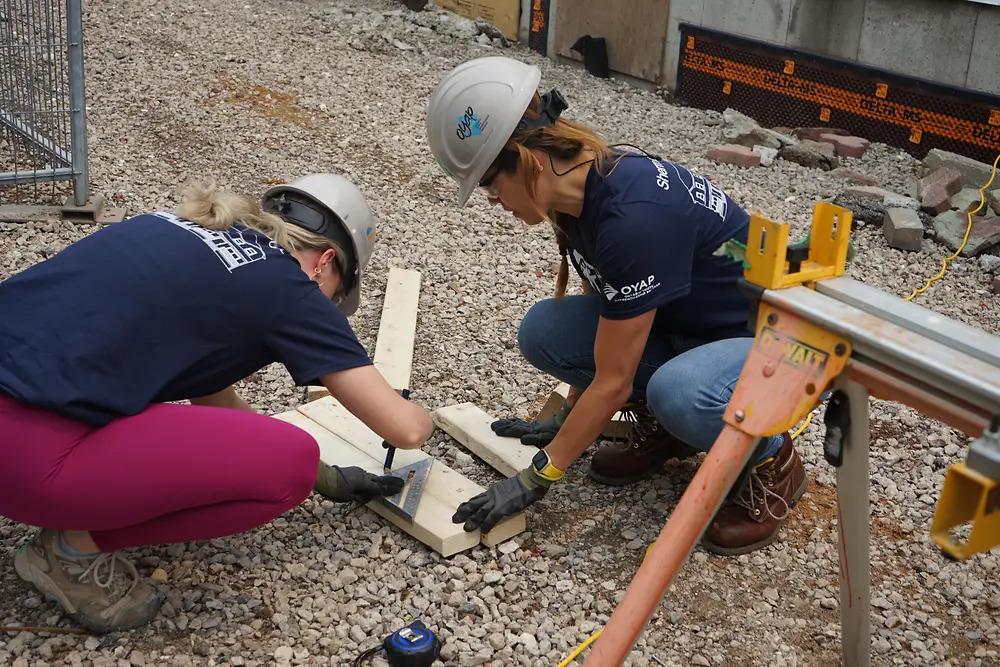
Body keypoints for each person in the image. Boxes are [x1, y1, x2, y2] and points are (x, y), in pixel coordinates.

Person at [0, 174, 433, 633]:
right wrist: (419, 412)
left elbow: (212, 398)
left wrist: (327, 480)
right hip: (21, 455)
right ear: (325, 263)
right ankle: (68, 553)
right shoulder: (289, 285)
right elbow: (406, 429)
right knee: (291, 464)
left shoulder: (176, 225)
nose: (325, 306)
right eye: (335, 295)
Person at [426, 57, 807, 556]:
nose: (494, 202)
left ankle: (771, 459)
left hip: (769, 345)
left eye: (492, 187)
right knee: (545, 330)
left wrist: (538, 477)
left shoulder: (632, 218)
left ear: (527, 162)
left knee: (681, 393)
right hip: (687, 328)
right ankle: (674, 434)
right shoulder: (577, 194)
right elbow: (609, 311)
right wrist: (566, 413)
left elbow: (614, 379)